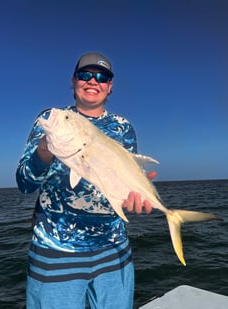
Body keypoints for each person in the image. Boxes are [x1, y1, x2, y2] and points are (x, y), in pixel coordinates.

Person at [16, 52, 156, 309]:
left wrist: (134, 200)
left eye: (102, 77)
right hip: (56, 249)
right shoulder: (52, 119)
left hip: (113, 249)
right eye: (85, 74)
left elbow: (122, 185)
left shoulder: (123, 128)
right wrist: (45, 150)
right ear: (73, 80)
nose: (93, 81)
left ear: (110, 86)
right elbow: (25, 184)